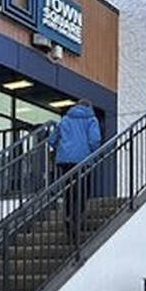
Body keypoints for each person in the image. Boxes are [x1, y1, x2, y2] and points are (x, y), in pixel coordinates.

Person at [46, 100, 101, 241]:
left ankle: (69, 217)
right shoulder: (91, 119)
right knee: (84, 190)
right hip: (83, 160)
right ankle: (77, 217)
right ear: (89, 107)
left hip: (65, 161)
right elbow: (95, 140)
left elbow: (52, 140)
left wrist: (60, 147)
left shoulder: (65, 119)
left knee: (69, 191)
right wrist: (95, 153)